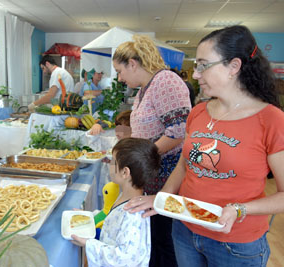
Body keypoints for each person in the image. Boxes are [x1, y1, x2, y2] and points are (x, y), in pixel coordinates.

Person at [125, 25, 284, 266]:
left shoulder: (271, 120)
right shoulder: (199, 112)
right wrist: (162, 197)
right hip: (185, 231)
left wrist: (240, 209)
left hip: (236, 244)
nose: (196, 74)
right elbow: (184, 165)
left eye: (203, 65)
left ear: (234, 67)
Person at [111, 34, 191, 267]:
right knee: (154, 237)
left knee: (165, 240)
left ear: (133, 64)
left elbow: (178, 131)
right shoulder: (146, 87)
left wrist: (141, 156)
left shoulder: (166, 81)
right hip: (153, 173)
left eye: (120, 70)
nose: (119, 77)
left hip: (168, 175)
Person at [71, 138, 161, 267]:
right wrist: (88, 218)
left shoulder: (133, 214)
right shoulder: (127, 197)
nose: (109, 164)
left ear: (125, 172)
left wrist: (88, 243)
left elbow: (125, 259)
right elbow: (112, 221)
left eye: (113, 161)